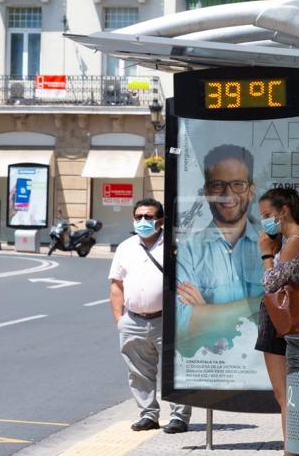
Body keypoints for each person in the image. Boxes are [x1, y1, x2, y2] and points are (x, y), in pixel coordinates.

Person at [109, 198, 192, 433]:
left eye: (149, 216)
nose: (143, 221)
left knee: (176, 369)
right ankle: (148, 414)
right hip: (133, 319)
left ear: (161, 220)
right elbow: (116, 284)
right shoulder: (126, 247)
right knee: (138, 372)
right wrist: (120, 319)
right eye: (139, 217)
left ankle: (179, 417)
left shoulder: (175, 246)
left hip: (168, 319)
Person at [176, 145, 264, 356]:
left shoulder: (273, 246)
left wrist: (204, 312)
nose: (228, 194)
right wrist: (259, 304)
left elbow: (286, 314)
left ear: (251, 191)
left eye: (238, 184)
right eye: (218, 185)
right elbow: (182, 327)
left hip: (263, 367)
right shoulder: (188, 250)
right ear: (207, 191)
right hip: (210, 365)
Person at [256, 187, 299, 456]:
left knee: (284, 394)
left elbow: (271, 283)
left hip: (280, 322)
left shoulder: (294, 240)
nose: (264, 221)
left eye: (267, 215)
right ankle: (295, 454)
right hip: (288, 322)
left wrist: (266, 255)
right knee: (288, 393)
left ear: (283, 212)